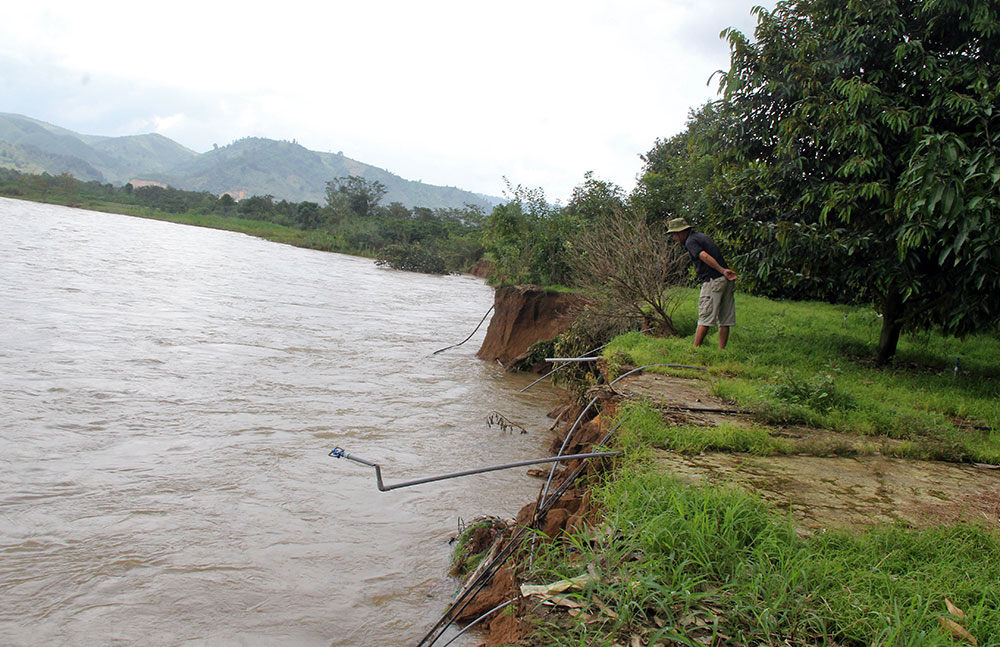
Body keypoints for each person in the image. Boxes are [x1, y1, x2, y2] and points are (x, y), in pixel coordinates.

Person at [666, 217, 737, 348]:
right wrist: (724, 272)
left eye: (674, 235)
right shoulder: (702, 237)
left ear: (681, 232)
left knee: (705, 317)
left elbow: (703, 256)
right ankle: (721, 351)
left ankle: (695, 350)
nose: (674, 238)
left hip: (713, 281)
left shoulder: (690, 241)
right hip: (724, 281)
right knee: (724, 319)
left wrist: (722, 270)